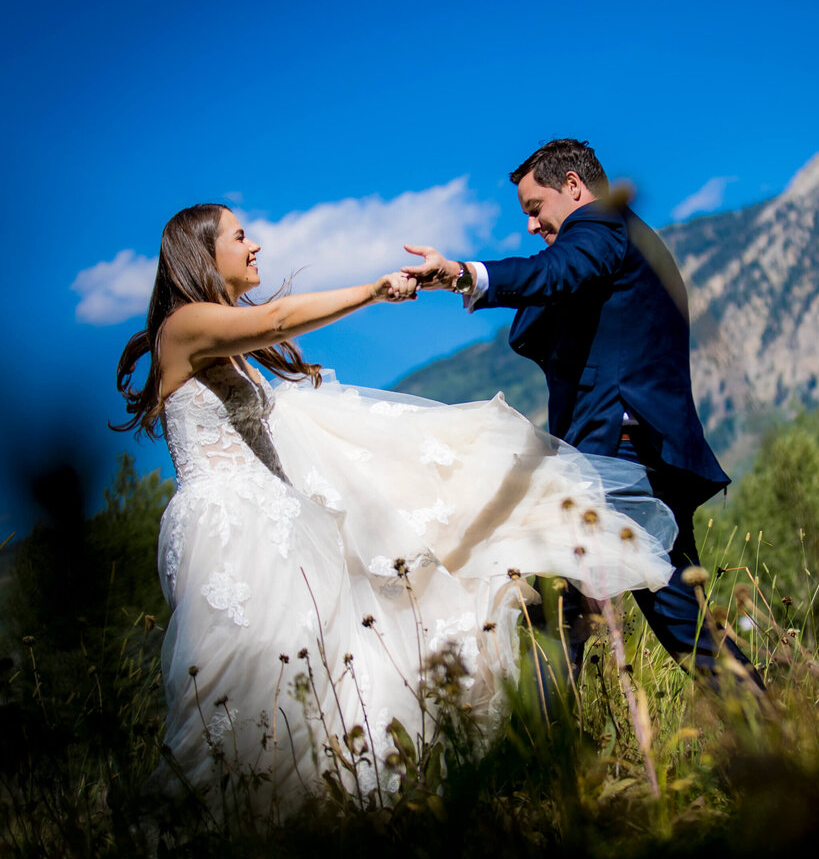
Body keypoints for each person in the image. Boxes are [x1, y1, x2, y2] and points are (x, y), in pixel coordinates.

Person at [114, 203, 676, 817]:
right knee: (241, 695)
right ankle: (201, 823)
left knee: (307, 692)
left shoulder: (225, 346)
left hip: (276, 527)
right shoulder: (186, 325)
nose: (255, 247)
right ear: (201, 251)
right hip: (233, 533)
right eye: (240, 236)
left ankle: (292, 827)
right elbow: (275, 319)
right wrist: (373, 291)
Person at [403, 139, 763, 690]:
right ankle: (782, 736)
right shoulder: (615, 245)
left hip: (616, 456)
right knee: (681, 627)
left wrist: (462, 274)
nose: (530, 226)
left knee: (559, 615)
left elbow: (556, 271)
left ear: (573, 186)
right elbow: (560, 288)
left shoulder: (601, 226)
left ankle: (544, 764)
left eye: (534, 209)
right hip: (638, 457)